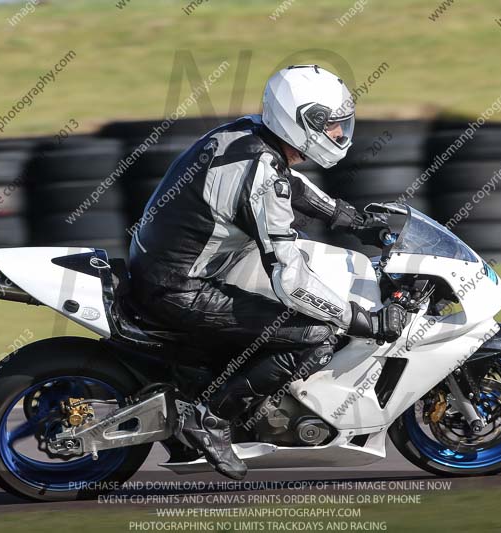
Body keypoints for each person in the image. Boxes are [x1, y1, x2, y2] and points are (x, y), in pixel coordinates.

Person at [128, 65, 408, 480]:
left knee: (317, 289)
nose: (339, 134)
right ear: (300, 121)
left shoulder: (249, 134)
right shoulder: (262, 176)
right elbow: (290, 278)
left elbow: (292, 183)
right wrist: (358, 318)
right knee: (317, 332)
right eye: (330, 125)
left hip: (179, 262)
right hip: (180, 287)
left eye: (340, 123)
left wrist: (352, 220)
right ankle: (211, 418)